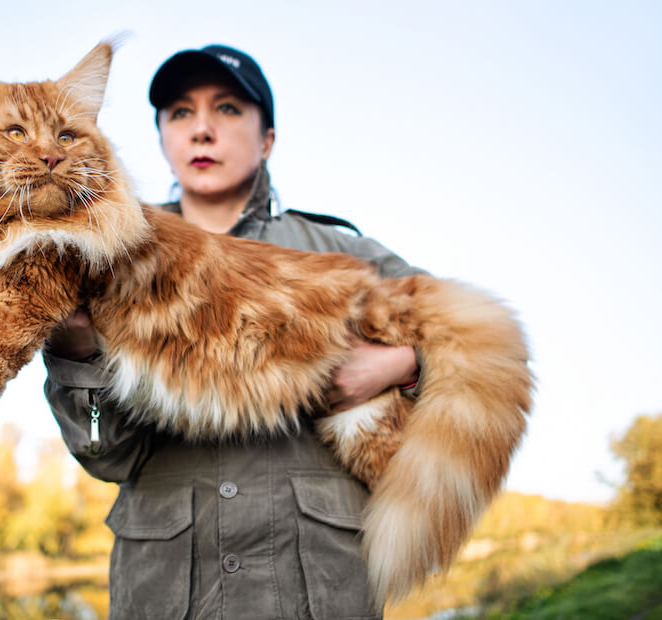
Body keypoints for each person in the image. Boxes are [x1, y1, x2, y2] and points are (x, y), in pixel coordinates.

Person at [43, 44, 423, 620]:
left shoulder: (342, 251)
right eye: (179, 114)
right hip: (169, 593)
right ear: (163, 141)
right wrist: (79, 359)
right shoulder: (105, 257)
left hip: (319, 589)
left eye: (225, 109)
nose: (201, 130)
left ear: (266, 138)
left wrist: (401, 365)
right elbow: (104, 454)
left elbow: (477, 355)